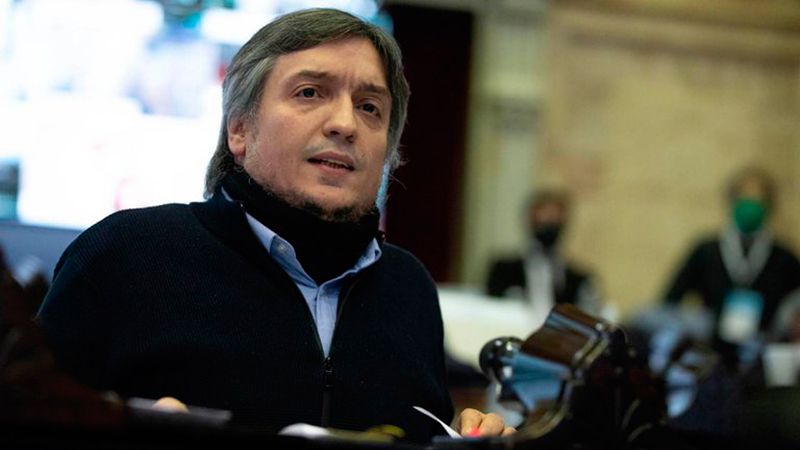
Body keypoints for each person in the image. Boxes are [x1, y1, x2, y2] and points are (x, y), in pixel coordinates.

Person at [35, 8, 513, 442]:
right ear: (239, 129)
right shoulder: (125, 255)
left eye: (370, 107)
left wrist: (468, 437)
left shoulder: (408, 288)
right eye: (310, 93)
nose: (345, 124)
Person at [662, 165, 800, 367]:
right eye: (744, 199)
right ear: (731, 202)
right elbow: (669, 303)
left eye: (758, 200)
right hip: (710, 355)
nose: (750, 206)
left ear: (770, 206)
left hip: (763, 359)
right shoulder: (706, 251)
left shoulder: (784, 258)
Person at [485, 188, 602, 328]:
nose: (550, 224)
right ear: (531, 219)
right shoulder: (503, 270)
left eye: (555, 218)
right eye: (544, 217)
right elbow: (490, 310)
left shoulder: (577, 279)